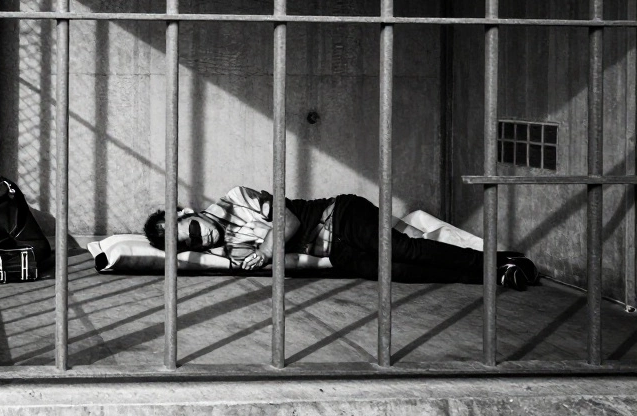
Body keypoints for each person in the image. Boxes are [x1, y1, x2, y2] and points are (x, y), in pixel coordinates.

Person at [143, 186, 540, 290]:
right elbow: (281, 261)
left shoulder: (236, 198)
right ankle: (495, 275)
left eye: (192, 230)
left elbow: (290, 223)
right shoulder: (230, 249)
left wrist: (263, 253)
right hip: (338, 252)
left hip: (341, 215)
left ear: (185, 213)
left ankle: (495, 259)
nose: (202, 237)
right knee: (399, 271)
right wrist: (253, 260)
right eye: (193, 244)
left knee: (405, 248)